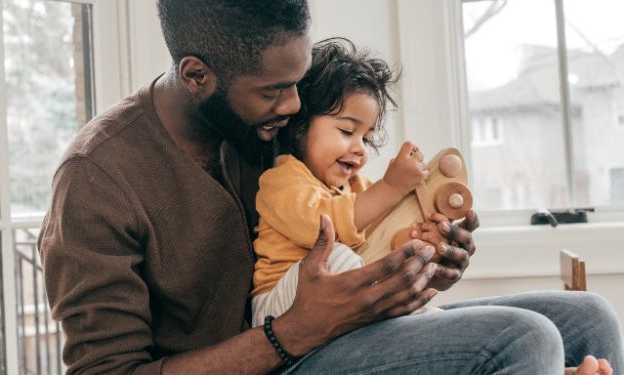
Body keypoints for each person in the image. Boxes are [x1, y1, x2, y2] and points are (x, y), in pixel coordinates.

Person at [37, 0, 624, 373]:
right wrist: (292, 332)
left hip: (335, 328)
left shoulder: (268, 125)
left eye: (297, 86)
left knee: (589, 317)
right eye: (274, 91)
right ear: (197, 75)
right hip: (279, 353)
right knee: (522, 341)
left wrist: (426, 260)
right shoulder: (98, 179)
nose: (294, 107)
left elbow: (357, 221)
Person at [251, 38, 440, 327]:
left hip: (337, 306)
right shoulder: (282, 181)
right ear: (301, 127)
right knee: (334, 255)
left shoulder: (359, 189)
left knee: (379, 265)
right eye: (347, 131)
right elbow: (327, 228)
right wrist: (391, 187)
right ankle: (416, 323)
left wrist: (415, 242)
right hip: (279, 307)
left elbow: (379, 243)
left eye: (366, 138)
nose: (361, 148)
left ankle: (416, 320)